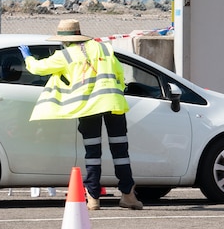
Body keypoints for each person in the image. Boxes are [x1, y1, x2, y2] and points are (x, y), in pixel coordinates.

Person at [19, 19, 143, 211]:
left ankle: (93, 198)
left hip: (89, 107)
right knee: (120, 152)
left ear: (64, 40)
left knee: (93, 153)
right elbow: (119, 73)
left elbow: (38, 69)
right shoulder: (104, 49)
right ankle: (128, 195)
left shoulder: (66, 55)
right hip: (113, 103)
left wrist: (27, 57)